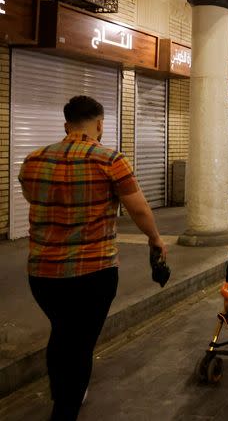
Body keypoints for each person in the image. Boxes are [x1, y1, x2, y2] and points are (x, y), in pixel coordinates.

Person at [18, 95, 167, 420]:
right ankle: (65, 408)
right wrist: (155, 240)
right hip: (92, 271)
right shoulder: (109, 160)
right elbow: (138, 208)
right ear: (99, 124)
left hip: (42, 272)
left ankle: (63, 392)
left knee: (62, 330)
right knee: (80, 342)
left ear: (65, 124)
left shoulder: (33, 160)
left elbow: (32, 195)